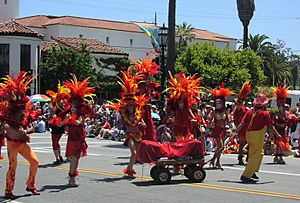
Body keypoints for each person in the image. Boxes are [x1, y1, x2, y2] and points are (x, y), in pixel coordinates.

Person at [0, 72, 41, 199]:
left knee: (35, 162)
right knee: (13, 166)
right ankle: (8, 190)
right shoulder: (7, 117)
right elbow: (2, 129)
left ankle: (30, 184)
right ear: (14, 110)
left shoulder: (26, 116)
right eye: (21, 110)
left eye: (24, 109)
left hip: (23, 143)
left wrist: (26, 131)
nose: (23, 111)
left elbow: (33, 128)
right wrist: (3, 128)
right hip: (12, 143)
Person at [106, 70, 147, 177]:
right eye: (128, 104)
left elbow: (143, 123)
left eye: (132, 104)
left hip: (138, 134)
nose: (130, 106)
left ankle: (129, 169)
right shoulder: (123, 114)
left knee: (136, 154)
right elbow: (120, 124)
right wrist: (120, 123)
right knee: (133, 153)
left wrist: (143, 124)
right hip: (130, 135)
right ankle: (129, 170)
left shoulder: (137, 113)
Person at [236, 93, 281, 183]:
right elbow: (270, 127)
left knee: (260, 153)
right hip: (257, 136)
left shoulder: (250, 112)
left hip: (249, 135)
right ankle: (246, 175)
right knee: (254, 156)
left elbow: (242, 123)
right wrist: (277, 135)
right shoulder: (265, 114)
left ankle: (252, 171)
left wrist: (236, 131)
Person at [60, 74, 94, 186]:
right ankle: (72, 176)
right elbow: (60, 125)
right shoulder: (68, 115)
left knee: (75, 158)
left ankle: (72, 178)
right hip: (71, 137)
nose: (73, 107)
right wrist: (63, 121)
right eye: (72, 106)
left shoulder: (80, 115)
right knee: (73, 158)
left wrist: (72, 120)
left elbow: (79, 122)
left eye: (75, 106)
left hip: (79, 137)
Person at [166, 72, 201, 141]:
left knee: (186, 140)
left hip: (185, 127)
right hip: (177, 127)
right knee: (179, 140)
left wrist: (195, 119)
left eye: (182, 102)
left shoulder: (186, 109)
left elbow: (191, 114)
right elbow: (171, 115)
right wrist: (170, 119)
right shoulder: (176, 109)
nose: (180, 103)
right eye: (179, 102)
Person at [209, 83, 233, 169]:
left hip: (223, 130)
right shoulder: (214, 112)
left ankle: (218, 162)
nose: (219, 104)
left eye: (220, 102)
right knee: (220, 146)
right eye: (217, 102)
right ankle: (213, 160)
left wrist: (229, 119)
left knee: (221, 147)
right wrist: (208, 127)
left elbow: (229, 120)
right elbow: (209, 120)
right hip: (217, 129)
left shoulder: (225, 111)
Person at [272, 84, 294, 164]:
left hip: (283, 130)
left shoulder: (286, 113)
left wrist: (287, 124)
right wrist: (279, 125)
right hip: (278, 130)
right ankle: (278, 157)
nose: (283, 107)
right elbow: (274, 123)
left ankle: (277, 157)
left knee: (281, 143)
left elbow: (288, 121)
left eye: (284, 106)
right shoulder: (277, 114)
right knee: (278, 143)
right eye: (281, 106)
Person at [232, 81, 251, 165]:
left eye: (240, 103)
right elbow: (234, 119)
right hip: (240, 129)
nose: (239, 105)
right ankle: (240, 158)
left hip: (247, 129)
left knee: (249, 144)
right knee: (241, 144)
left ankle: (248, 158)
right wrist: (236, 127)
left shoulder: (247, 110)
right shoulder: (235, 111)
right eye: (238, 104)